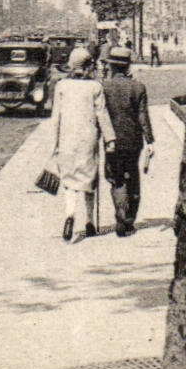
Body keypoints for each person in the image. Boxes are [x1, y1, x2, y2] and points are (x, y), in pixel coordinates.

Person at [48, 55, 114, 243]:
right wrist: (110, 139)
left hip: (67, 139)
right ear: (87, 67)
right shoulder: (95, 87)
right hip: (88, 139)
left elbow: (56, 117)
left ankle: (69, 215)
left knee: (69, 181)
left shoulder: (62, 86)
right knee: (89, 181)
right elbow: (102, 114)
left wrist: (53, 145)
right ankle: (90, 222)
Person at [99, 46, 154, 237]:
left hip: (111, 140)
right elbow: (143, 116)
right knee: (133, 175)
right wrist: (150, 140)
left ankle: (121, 215)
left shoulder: (103, 87)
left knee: (116, 178)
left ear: (111, 66)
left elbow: (100, 116)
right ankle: (130, 218)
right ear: (128, 65)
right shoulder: (138, 87)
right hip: (133, 141)